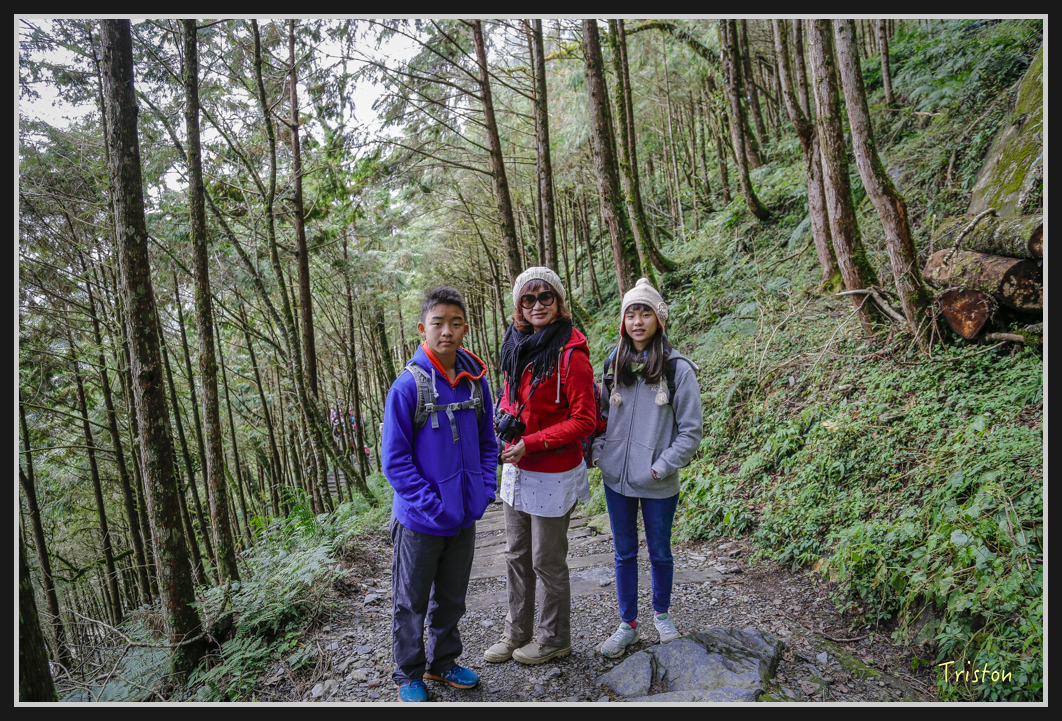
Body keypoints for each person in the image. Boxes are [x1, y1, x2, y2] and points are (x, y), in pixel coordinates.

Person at [382, 286, 498, 702]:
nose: (446, 331)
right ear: (422, 329)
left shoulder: (475, 383)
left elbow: (489, 442)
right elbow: (395, 462)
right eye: (438, 323)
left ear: (465, 327)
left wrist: (486, 488)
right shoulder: (407, 387)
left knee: (451, 596)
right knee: (411, 600)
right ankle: (408, 672)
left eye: (454, 323)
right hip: (420, 520)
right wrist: (431, 505)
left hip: (464, 515)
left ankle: (443, 662)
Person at [483, 267, 597, 666]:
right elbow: (508, 395)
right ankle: (518, 632)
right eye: (527, 299)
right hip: (518, 467)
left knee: (546, 560)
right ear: (518, 305)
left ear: (559, 302)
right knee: (516, 555)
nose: (536, 306)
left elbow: (585, 418)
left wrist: (531, 440)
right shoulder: (516, 344)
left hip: (553, 471)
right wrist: (504, 417)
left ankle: (554, 638)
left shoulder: (571, 355)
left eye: (545, 297)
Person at [591, 278, 703, 658]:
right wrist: (600, 453)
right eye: (631, 313)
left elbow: (690, 431)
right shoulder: (613, 362)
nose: (637, 320)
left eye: (646, 312)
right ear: (623, 320)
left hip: (657, 481)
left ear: (659, 318)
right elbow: (600, 416)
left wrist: (662, 466)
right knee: (623, 553)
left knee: (659, 552)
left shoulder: (677, 369)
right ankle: (628, 625)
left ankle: (662, 616)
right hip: (616, 479)